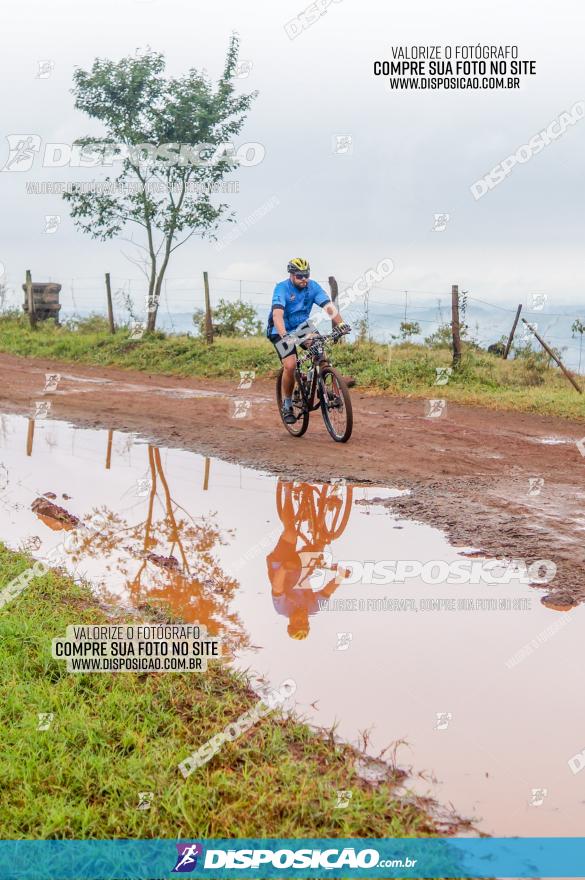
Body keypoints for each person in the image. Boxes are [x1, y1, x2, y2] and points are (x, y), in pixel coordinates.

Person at [267, 258, 350, 424]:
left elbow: (328, 306)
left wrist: (341, 324)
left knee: (321, 353)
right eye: (299, 276)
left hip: (302, 328)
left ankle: (323, 386)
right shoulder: (282, 288)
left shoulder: (312, 287)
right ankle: (288, 404)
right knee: (290, 365)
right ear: (291, 275)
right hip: (280, 330)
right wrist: (285, 336)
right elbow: (277, 315)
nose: (304, 279)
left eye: (306, 275)